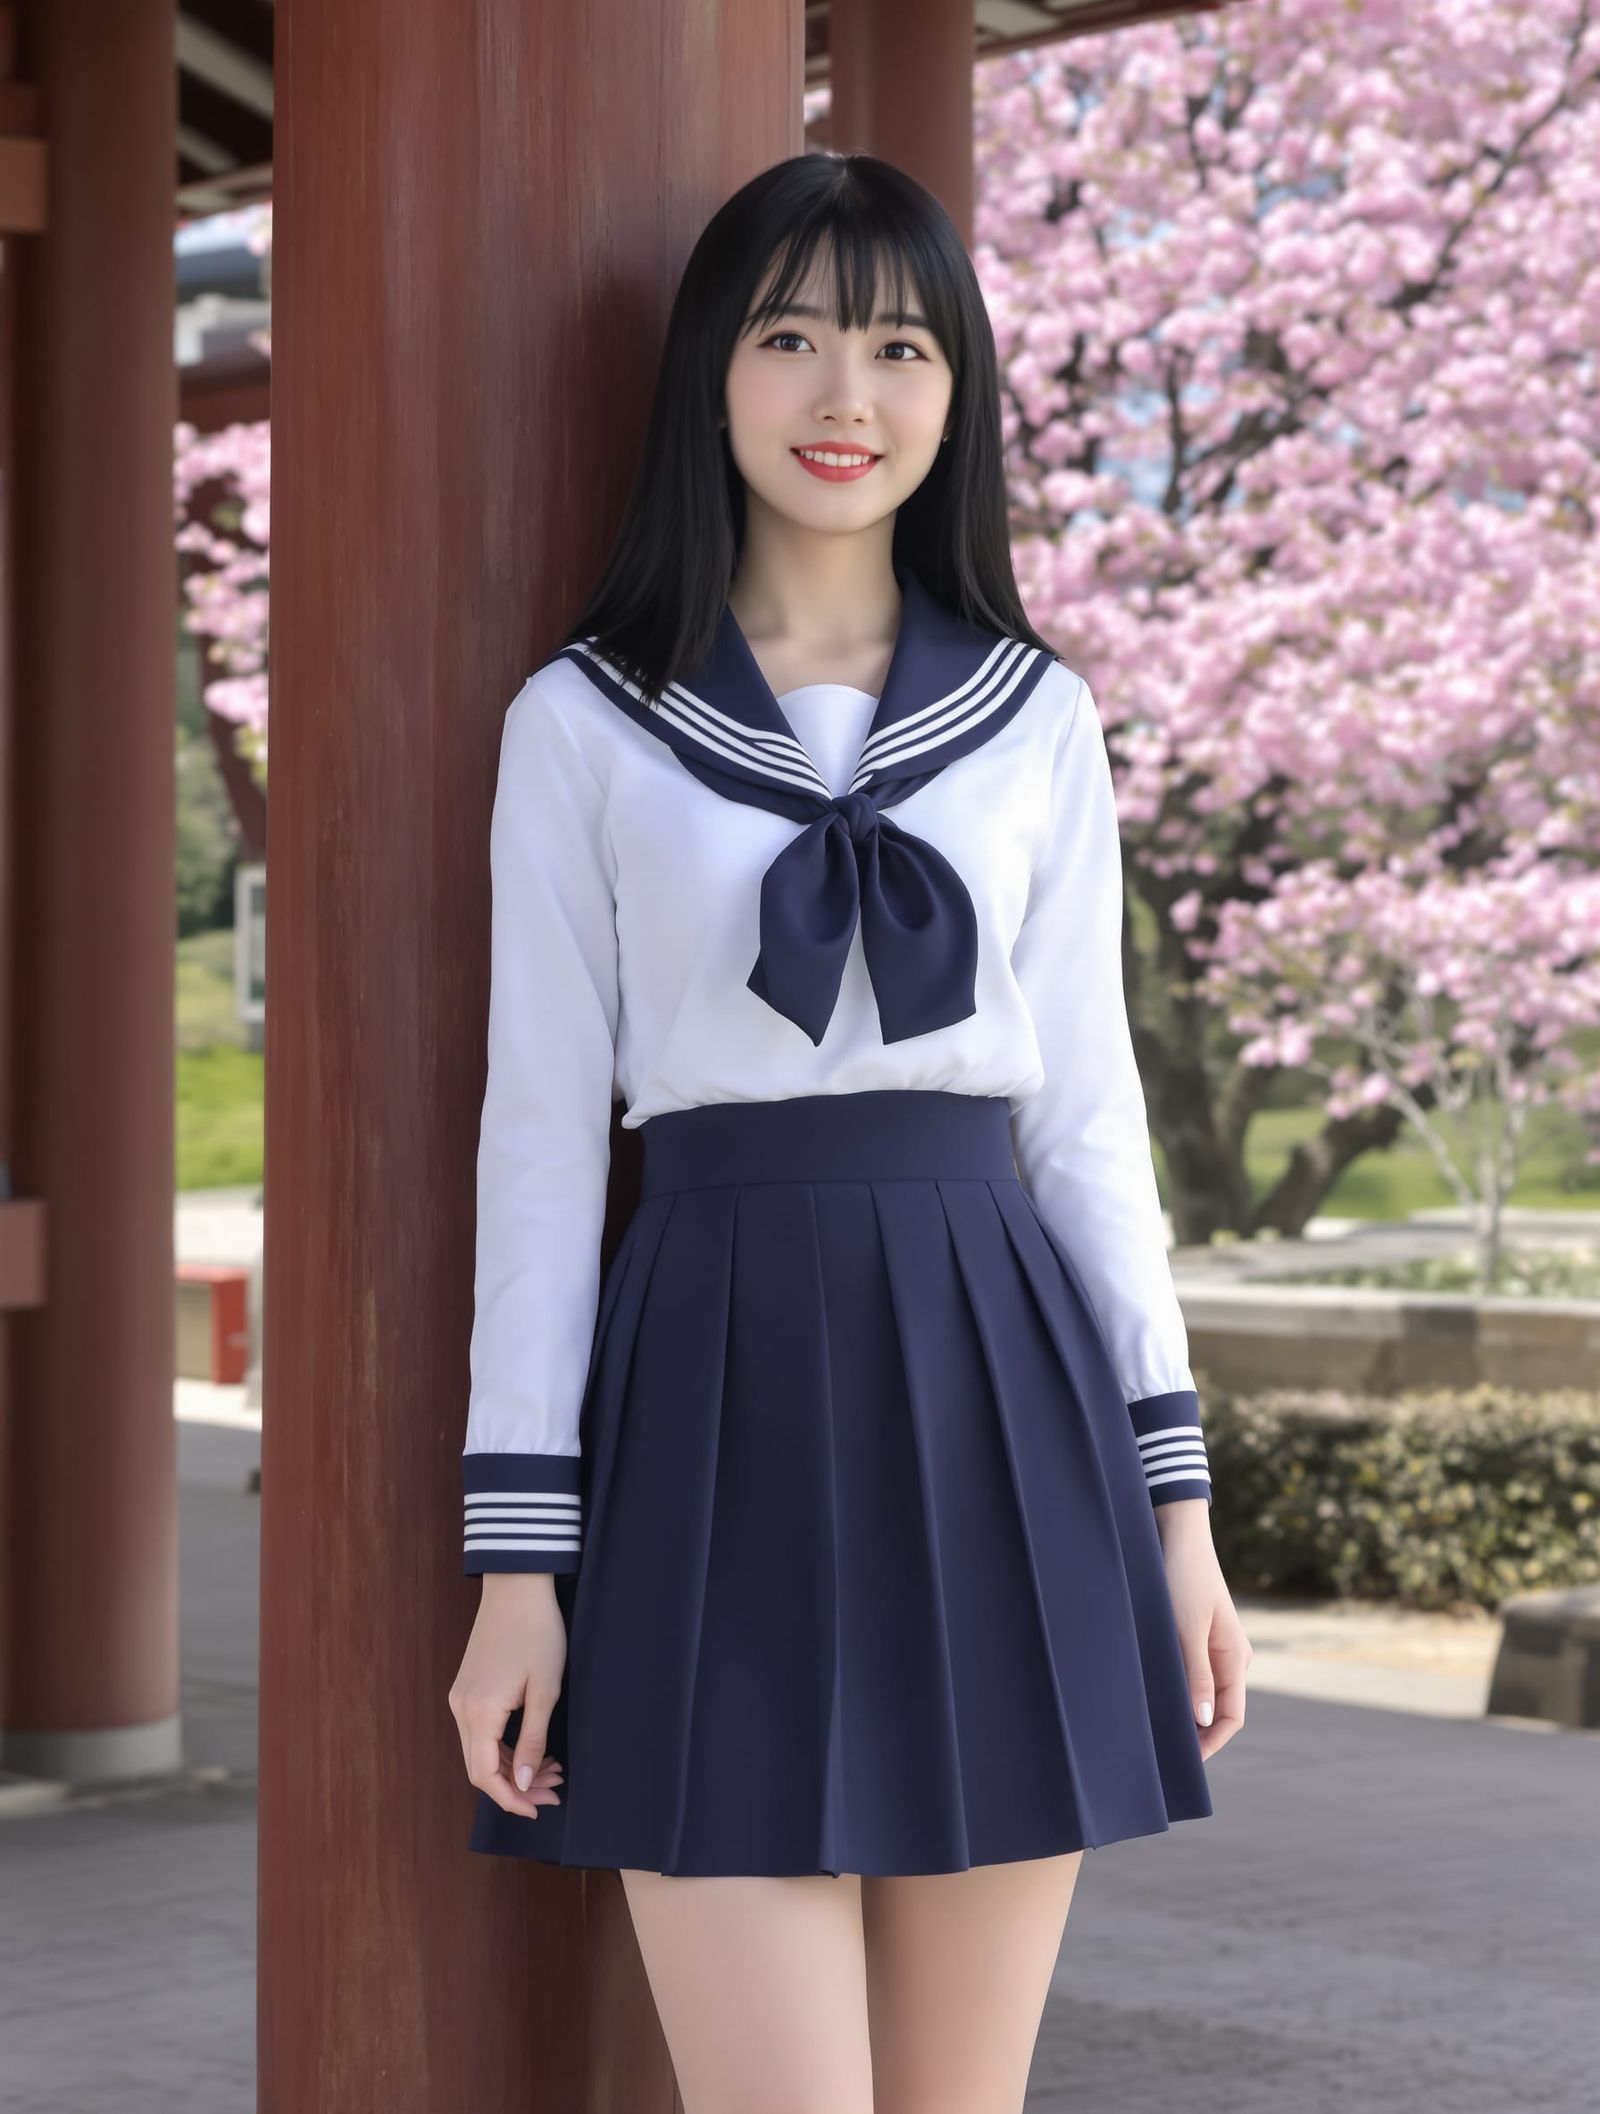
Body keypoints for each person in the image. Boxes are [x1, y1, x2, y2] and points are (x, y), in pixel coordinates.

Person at [448, 148, 1252, 2114]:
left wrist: (1175, 1507)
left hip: (1003, 1395)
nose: (843, 395)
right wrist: (513, 1565)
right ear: (709, 373)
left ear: (955, 388)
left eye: (898, 346)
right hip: (710, 1389)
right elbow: (541, 1146)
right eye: (788, 335)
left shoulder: (1032, 717)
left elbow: (1085, 1128)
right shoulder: (584, 723)